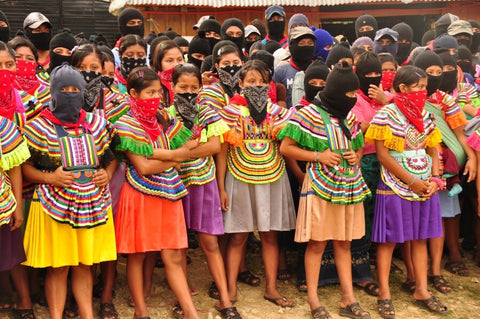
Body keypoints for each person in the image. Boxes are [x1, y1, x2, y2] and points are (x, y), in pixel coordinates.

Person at [22, 64, 118, 319]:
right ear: (53, 92)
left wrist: (106, 174)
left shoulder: (97, 124)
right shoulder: (37, 126)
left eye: (76, 89)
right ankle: (56, 315)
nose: (71, 94)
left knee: (86, 265)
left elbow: (111, 158)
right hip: (53, 206)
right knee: (59, 267)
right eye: (64, 89)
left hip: (93, 203)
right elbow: (24, 167)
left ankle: (87, 315)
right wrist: (50, 177)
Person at [279, 61, 371, 319]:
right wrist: (318, 155)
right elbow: (285, 148)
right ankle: (313, 300)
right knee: (317, 243)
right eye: (350, 94)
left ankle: (348, 297)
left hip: (349, 183)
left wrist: (356, 155)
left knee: (344, 242)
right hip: (320, 184)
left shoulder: (350, 116)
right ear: (337, 91)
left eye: (355, 94)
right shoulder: (307, 114)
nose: (353, 99)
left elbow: (358, 144)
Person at [113, 66, 200, 319]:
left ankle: (191, 313)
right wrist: (172, 158)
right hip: (140, 194)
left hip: (168, 192)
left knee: (172, 254)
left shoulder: (162, 118)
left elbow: (187, 149)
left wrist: (158, 153)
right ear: (133, 93)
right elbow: (143, 166)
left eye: (159, 93)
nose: (156, 98)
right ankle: (141, 311)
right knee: (138, 255)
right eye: (149, 93)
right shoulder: (125, 123)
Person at [365, 65, 447, 317]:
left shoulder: (427, 115)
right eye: (418, 87)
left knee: (420, 238)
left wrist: (435, 178)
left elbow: (433, 149)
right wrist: (411, 180)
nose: (423, 91)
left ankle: (422, 289)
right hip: (395, 183)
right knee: (389, 240)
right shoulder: (385, 115)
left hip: (424, 183)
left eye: (425, 87)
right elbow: (382, 155)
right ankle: (384, 292)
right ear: (402, 88)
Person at [217, 59, 296, 306]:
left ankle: (271, 287)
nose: (257, 86)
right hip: (238, 176)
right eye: (251, 81)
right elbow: (220, 151)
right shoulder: (228, 113)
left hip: (272, 175)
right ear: (239, 83)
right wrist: (220, 187)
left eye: (262, 81)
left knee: (269, 235)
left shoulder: (278, 113)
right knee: (238, 236)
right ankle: (229, 290)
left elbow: (288, 141)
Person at [166, 63, 241, 319]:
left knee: (209, 242)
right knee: (180, 246)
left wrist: (183, 152)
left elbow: (214, 148)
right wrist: (193, 149)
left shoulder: (208, 112)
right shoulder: (165, 115)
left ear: (201, 87)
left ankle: (225, 299)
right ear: (172, 86)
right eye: (182, 87)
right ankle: (182, 299)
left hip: (205, 183)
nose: (188, 92)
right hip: (174, 186)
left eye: (194, 87)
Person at [0, 40, 35, 319]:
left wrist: (17, 205)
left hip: (9, 194)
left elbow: (16, 161)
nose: (4, 71)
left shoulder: (22, 101)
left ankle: (24, 298)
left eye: (9, 65)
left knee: (13, 250)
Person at [273, 26, 316, 109]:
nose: (306, 47)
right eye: (302, 43)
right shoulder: (280, 71)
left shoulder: (320, 71)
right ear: (292, 46)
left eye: (310, 43)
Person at [9, 36, 51, 118]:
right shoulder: (4, 89)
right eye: (18, 57)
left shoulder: (46, 92)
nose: (24, 61)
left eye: (29, 58)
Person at [198, 41, 244, 111]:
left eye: (236, 62)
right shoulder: (210, 93)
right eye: (226, 63)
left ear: (242, 64)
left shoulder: (248, 89)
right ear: (217, 66)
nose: (231, 67)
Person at [152, 40, 184, 108]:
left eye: (179, 60)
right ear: (159, 63)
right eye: (170, 60)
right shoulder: (153, 86)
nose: (176, 64)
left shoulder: (191, 81)